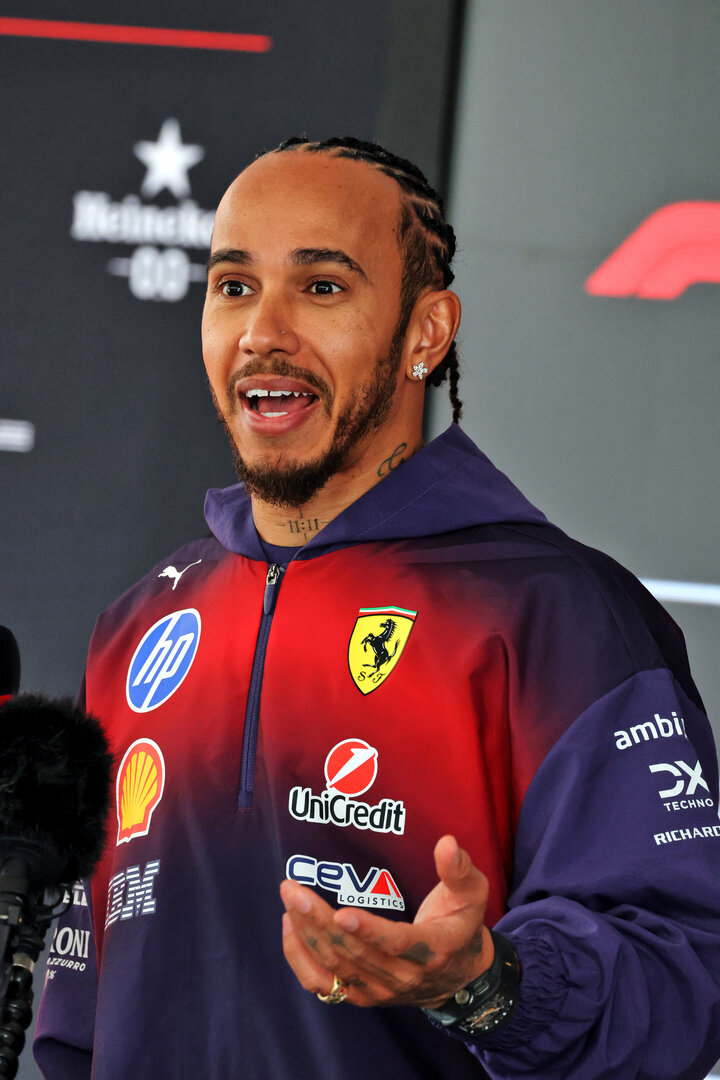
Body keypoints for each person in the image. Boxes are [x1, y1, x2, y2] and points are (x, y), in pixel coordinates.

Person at [35, 136, 720, 1080]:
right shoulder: (137, 631)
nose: (262, 333)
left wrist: (483, 985)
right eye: (234, 287)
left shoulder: (562, 616)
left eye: (321, 288)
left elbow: (680, 976)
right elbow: (80, 1031)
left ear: (426, 334)